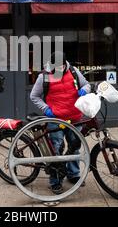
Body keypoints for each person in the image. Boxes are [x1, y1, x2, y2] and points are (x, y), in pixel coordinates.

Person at [30, 51, 91, 194]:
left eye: (61, 66)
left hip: (75, 117)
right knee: (55, 150)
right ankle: (55, 181)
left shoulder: (74, 71)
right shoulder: (43, 76)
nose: (59, 69)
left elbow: (87, 85)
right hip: (55, 119)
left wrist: (84, 89)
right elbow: (34, 96)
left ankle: (73, 174)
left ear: (65, 64)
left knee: (74, 146)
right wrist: (46, 109)